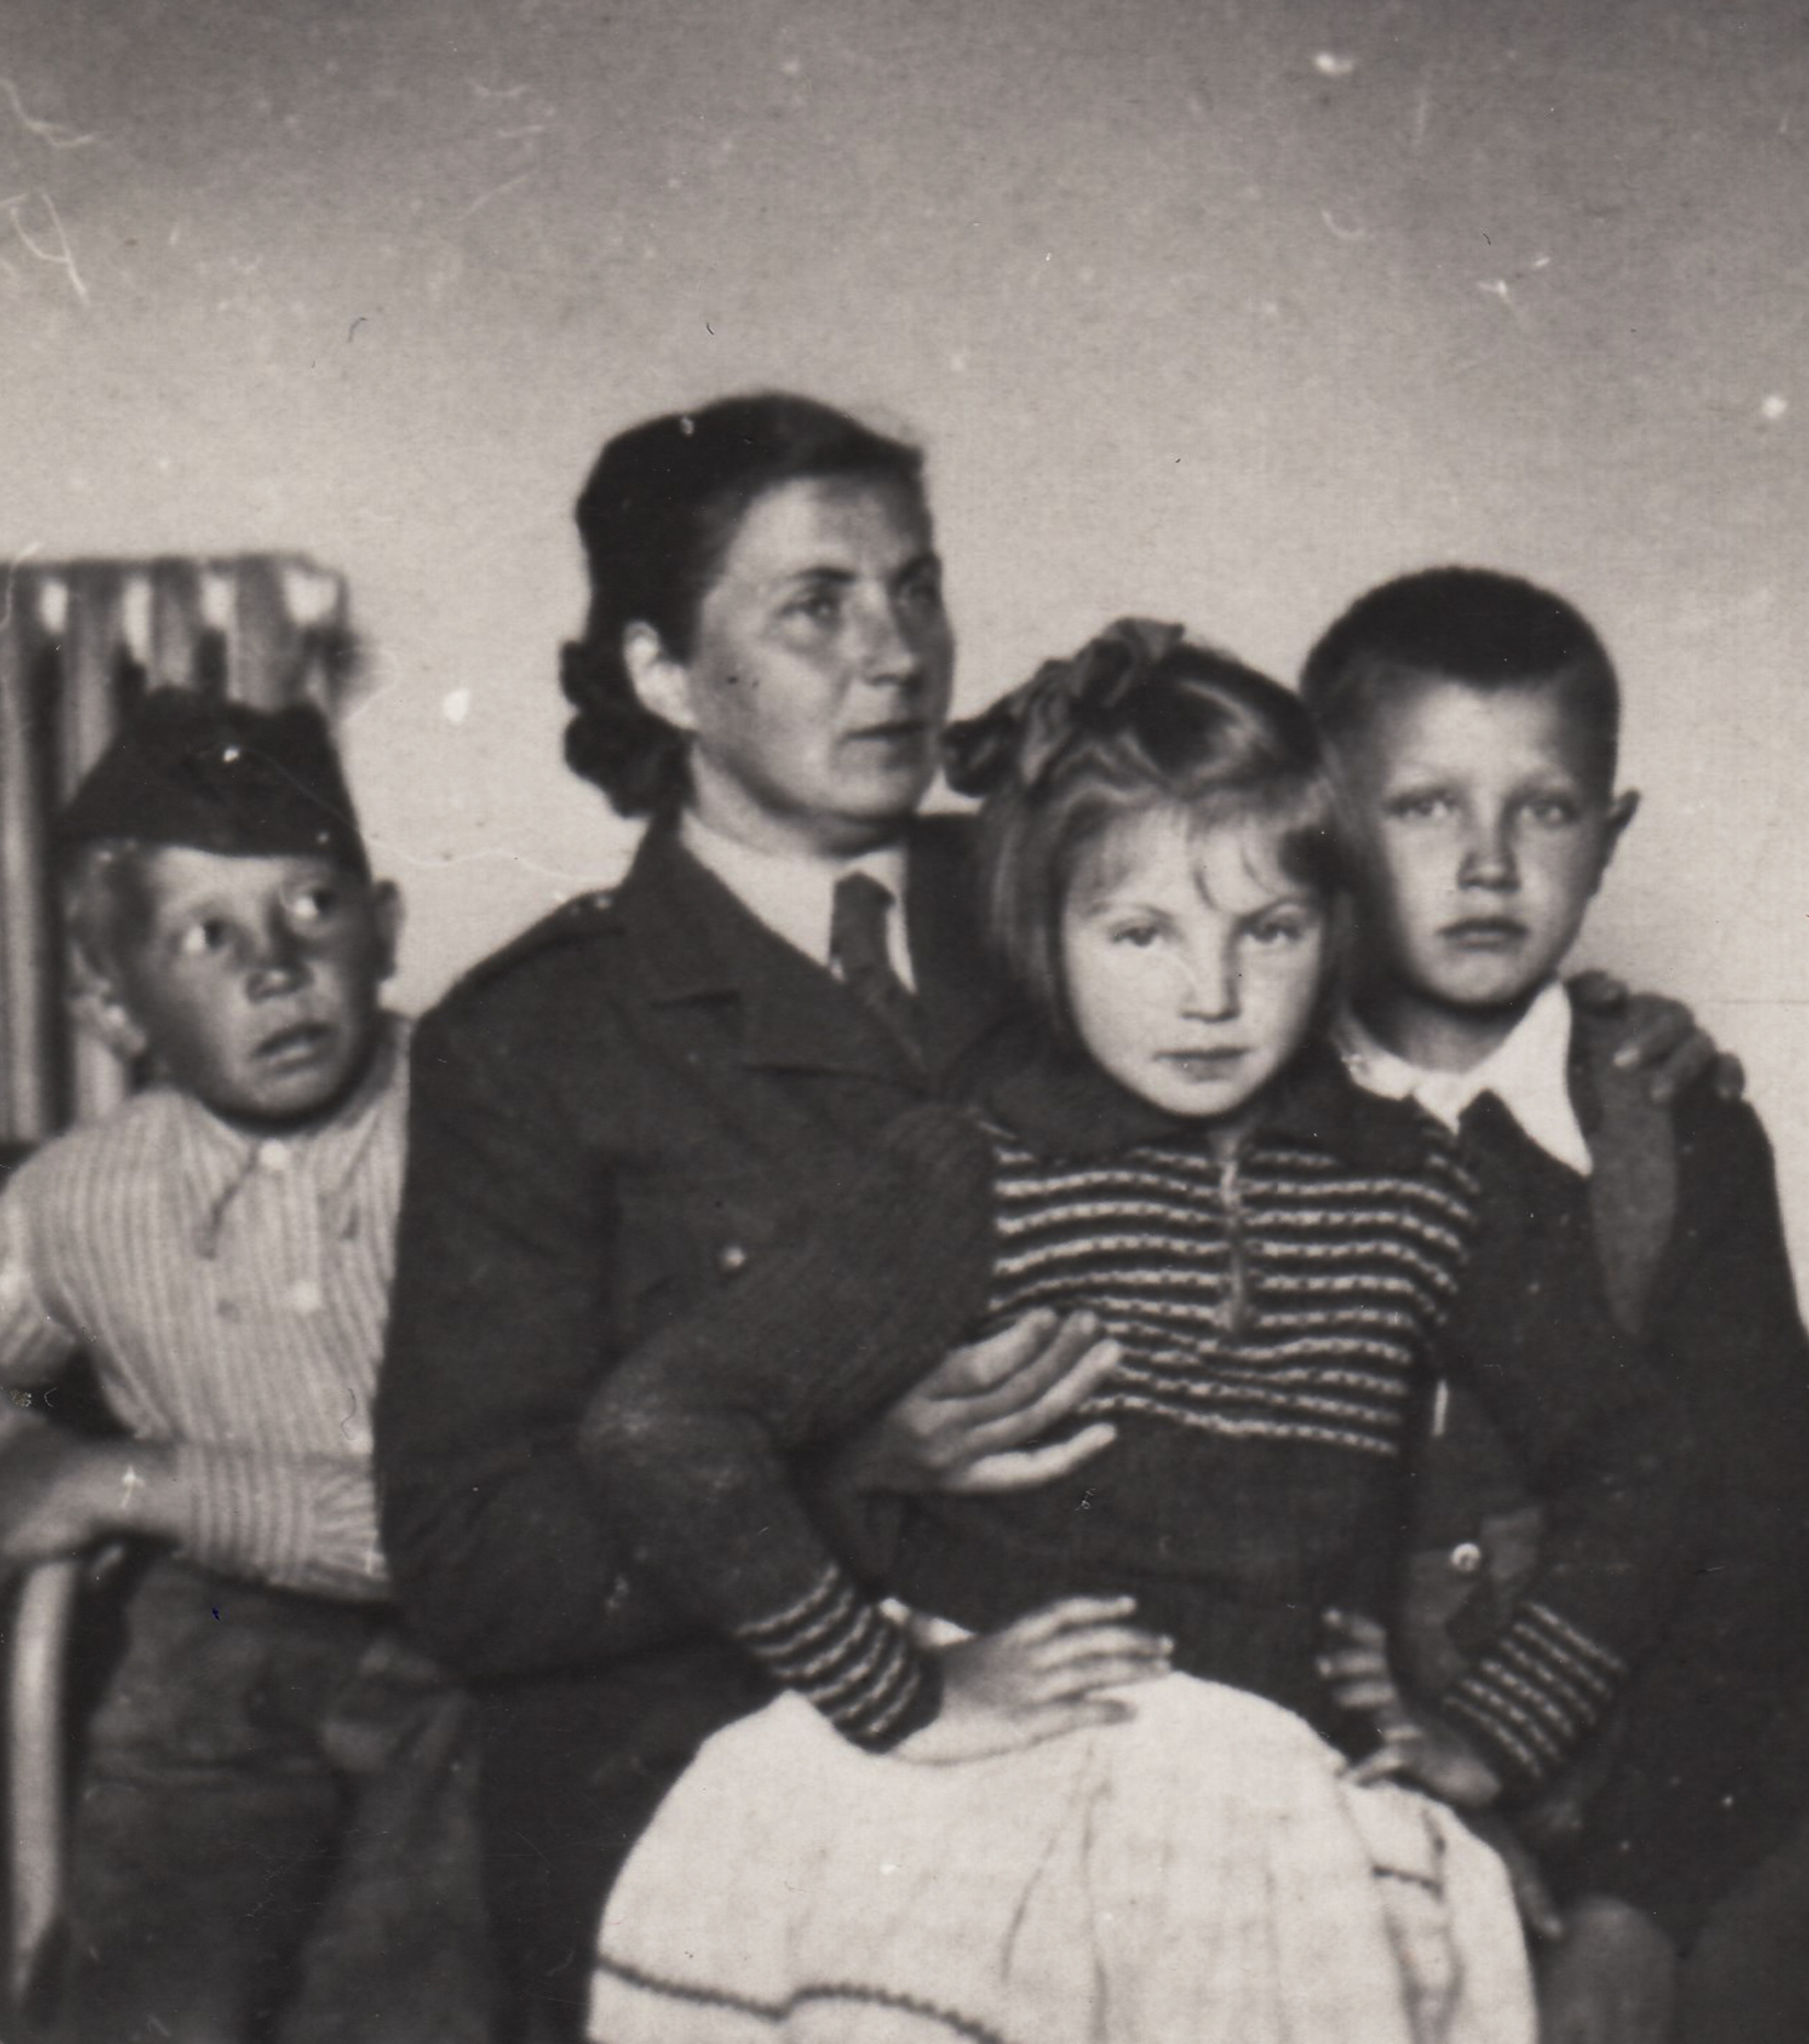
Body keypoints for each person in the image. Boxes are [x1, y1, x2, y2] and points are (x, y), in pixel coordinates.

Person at [577, 622, 1692, 2044]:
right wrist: (901, 1692)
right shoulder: (979, 1169)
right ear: (1043, 933)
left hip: (1275, 1823)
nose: (1210, 996)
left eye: (1269, 931)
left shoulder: (1421, 1191)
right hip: (993, 1812)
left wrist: (1492, 1730)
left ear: (1336, 924)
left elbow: (1647, 1463)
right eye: (1140, 933)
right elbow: (659, 1423)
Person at [375, 394, 1129, 2044]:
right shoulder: (534, 1040)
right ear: (663, 675)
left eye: (915, 589)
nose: (898, 655)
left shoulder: (1078, 900)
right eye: (817, 606)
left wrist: (1611, 1060)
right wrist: (851, 1474)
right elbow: (471, 1567)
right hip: (700, 1782)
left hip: (1084, 1731)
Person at [1299, 567, 1809, 2044]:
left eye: (1547, 809)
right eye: (1424, 807)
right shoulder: (1244, 1108)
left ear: (1610, 837)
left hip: (1641, 1788)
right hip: (1337, 1779)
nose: (1488, 864)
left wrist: (1638, 1901)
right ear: (1323, 820)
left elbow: (1755, 1541)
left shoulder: (1676, 1132)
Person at [0, 690, 490, 2042]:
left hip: (474, 1650)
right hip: (220, 1649)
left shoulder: (486, 1119)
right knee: (139, 1991)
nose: (278, 966)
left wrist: (126, 1482)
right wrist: (28, 1447)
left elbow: (472, 1522)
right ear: (109, 1002)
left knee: (414, 1987)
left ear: (386, 929)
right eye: (206, 936)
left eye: (313, 907)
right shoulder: (73, 1203)